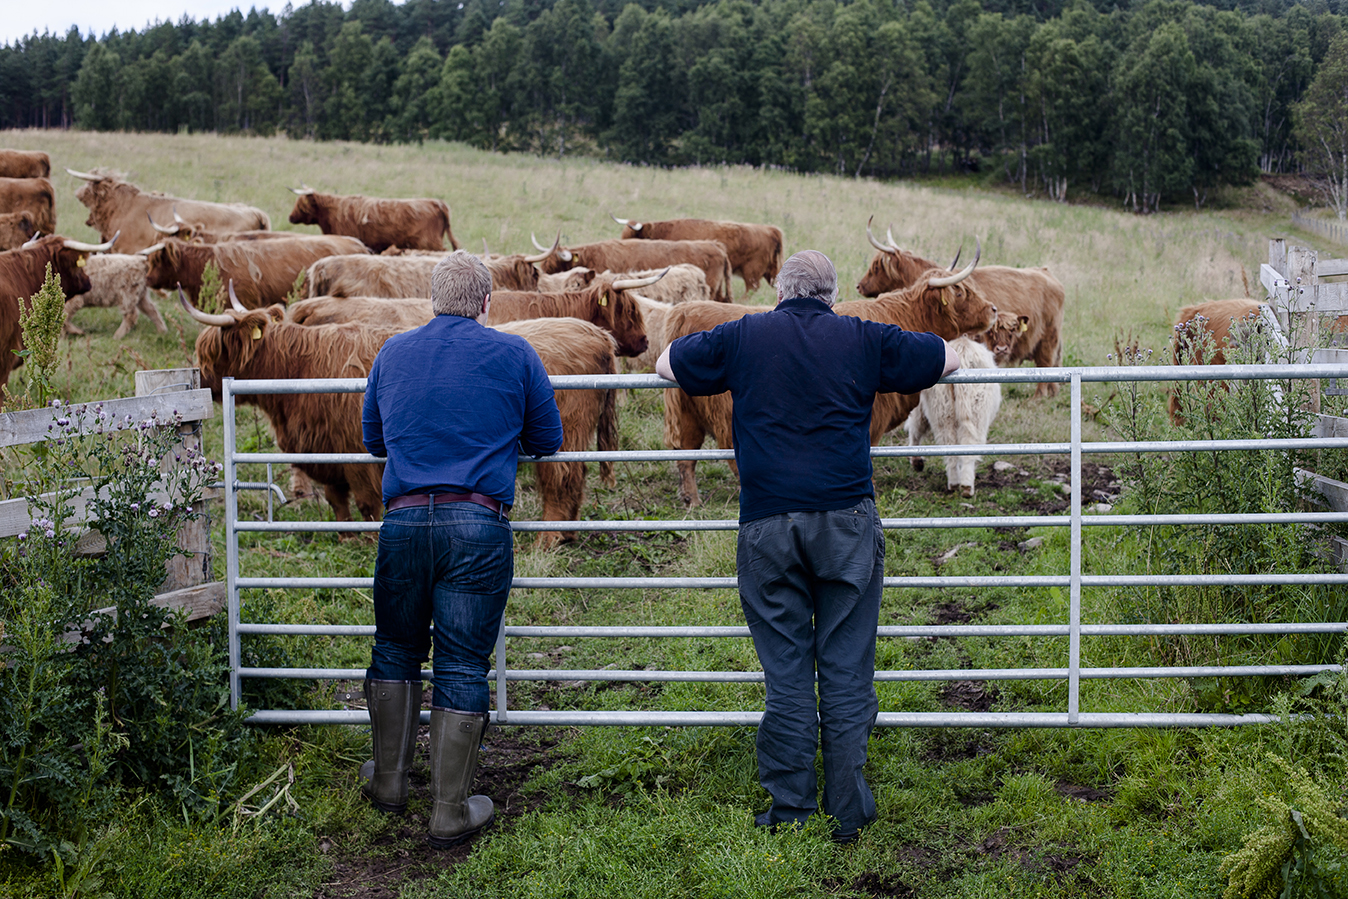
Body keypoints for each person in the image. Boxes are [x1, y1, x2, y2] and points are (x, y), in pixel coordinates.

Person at [655, 249, 959, 843]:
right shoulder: (861, 336)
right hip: (845, 518)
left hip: (768, 523)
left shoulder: (745, 335)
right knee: (846, 668)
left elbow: (667, 364)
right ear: (831, 295)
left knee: (787, 671)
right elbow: (945, 357)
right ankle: (847, 810)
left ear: (780, 293)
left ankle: (789, 810)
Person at [360, 250, 563, 848]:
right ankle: (450, 810)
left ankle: (390, 783)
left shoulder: (392, 352)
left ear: (432, 299)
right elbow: (547, 439)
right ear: (485, 302)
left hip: (401, 522)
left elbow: (374, 440)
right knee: (462, 662)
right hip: (476, 522)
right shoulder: (515, 353)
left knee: (395, 645)